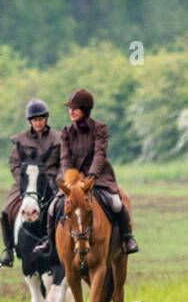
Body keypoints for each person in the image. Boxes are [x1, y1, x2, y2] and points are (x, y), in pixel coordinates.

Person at [37, 88, 138, 255]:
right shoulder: (67, 132)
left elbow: (100, 154)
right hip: (74, 178)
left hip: (98, 177)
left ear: (84, 111)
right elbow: (65, 157)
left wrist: (92, 175)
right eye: (69, 109)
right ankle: (49, 241)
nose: (71, 112)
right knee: (53, 206)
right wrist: (69, 176)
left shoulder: (100, 128)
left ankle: (128, 237)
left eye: (74, 109)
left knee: (116, 203)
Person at [0, 99, 61, 267]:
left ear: (46, 119)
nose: (38, 123)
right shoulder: (20, 140)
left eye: (41, 119)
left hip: (51, 182)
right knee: (5, 211)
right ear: (30, 121)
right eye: (35, 120)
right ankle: (9, 249)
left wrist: (58, 179)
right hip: (26, 183)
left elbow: (64, 161)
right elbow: (13, 163)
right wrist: (23, 181)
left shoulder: (58, 138)